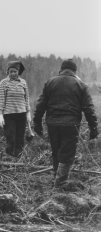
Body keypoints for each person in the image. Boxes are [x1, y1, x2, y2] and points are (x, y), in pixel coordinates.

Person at [33, 59, 98, 188]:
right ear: (74, 71)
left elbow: (40, 105)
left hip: (52, 123)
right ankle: (60, 184)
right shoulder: (81, 85)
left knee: (56, 151)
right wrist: (93, 127)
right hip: (71, 124)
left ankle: (56, 179)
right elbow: (88, 109)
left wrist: (37, 123)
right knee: (67, 154)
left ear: (61, 69)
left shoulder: (50, 82)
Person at [0, 61, 31, 158]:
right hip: (9, 115)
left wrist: (28, 113)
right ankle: (9, 158)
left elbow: (26, 99)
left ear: (18, 71)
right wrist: (0, 115)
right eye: (10, 71)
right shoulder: (3, 83)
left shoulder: (23, 83)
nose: (13, 74)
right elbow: (0, 99)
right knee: (10, 138)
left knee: (20, 138)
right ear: (7, 72)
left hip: (21, 114)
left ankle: (19, 158)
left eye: (15, 71)